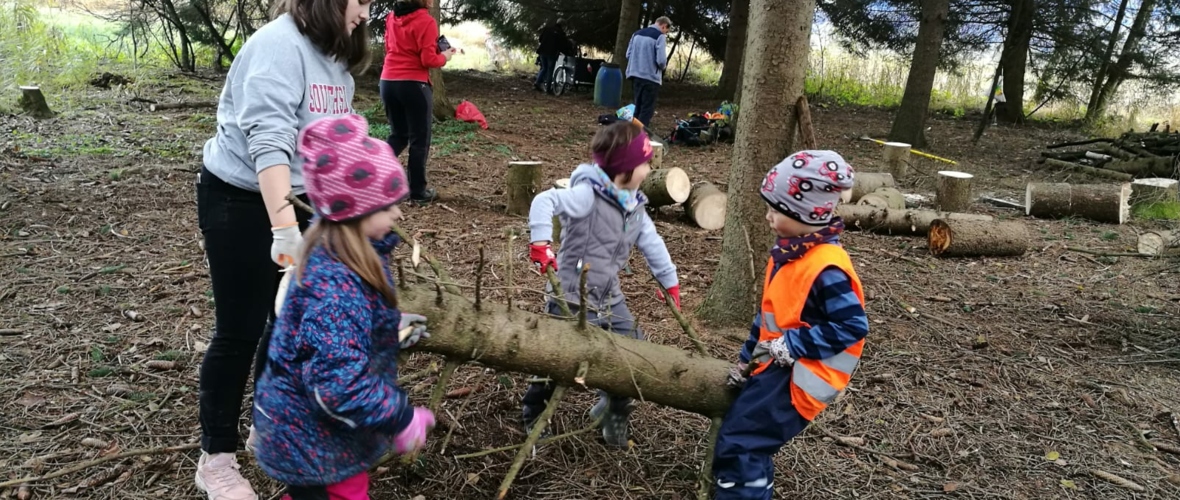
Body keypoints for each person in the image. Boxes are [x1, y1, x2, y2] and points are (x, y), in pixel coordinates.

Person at [194, 1, 372, 498]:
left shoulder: (332, 52)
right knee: (239, 330)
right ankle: (216, 460)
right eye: (361, 0)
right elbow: (268, 141)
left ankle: (266, 424)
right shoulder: (278, 46)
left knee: (285, 325)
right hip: (241, 199)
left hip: (300, 200)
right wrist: (283, 229)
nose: (366, 11)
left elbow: (331, 136)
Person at [253, 114, 436, 500]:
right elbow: (338, 384)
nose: (398, 214)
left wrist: (386, 327)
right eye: (388, 206)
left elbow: (333, 335)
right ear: (357, 213)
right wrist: (399, 417)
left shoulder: (345, 257)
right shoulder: (335, 288)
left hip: (317, 430)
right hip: (307, 434)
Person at [713, 151, 869, 500]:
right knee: (747, 435)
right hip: (781, 364)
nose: (768, 216)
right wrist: (745, 361)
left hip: (806, 374)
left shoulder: (826, 268)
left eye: (776, 210)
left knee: (743, 441)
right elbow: (768, 317)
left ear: (806, 213)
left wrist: (793, 345)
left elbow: (852, 326)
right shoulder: (790, 253)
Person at [524, 120, 680, 447]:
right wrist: (541, 242)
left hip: (610, 295)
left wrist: (670, 282)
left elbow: (652, 243)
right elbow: (544, 201)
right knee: (558, 360)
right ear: (624, 167)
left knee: (632, 356)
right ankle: (535, 410)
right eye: (645, 162)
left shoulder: (633, 204)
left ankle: (613, 410)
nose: (650, 168)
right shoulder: (587, 195)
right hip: (570, 295)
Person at [380, 0, 458, 205]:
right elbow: (428, 60)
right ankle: (417, 191)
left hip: (388, 81)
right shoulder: (426, 20)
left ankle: (372, 173)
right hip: (414, 84)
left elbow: (388, 46)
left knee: (398, 135)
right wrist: (445, 56)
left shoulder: (392, 17)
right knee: (419, 139)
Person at [624, 16, 670, 128]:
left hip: (635, 75)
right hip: (650, 78)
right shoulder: (660, 36)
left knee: (637, 107)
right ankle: (640, 136)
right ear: (664, 26)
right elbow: (661, 61)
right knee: (646, 109)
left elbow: (627, 55)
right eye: (666, 30)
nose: (665, 33)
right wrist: (662, 67)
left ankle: (632, 133)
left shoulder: (636, 34)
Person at [534, 18, 574, 93]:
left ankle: (537, 82)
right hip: (551, 53)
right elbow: (563, 45)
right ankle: (548, 89)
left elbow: (540, 39)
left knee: (543, 68)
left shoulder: (547, 29)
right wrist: (567, 53)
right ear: (562, 25)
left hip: (542, 52)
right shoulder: (561, 33)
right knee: (550, 70)